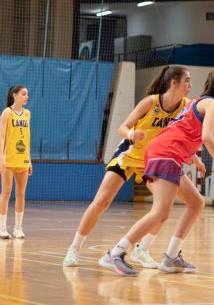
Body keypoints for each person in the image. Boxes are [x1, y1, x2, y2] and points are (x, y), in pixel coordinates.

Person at [100, 69, 214, 276]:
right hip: (165, 154)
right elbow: (207, 137)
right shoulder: (213, 104)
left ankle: (171, 257)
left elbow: (184, 132)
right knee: (160, 212)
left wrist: (193, 157)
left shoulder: (195, 102)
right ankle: (116, 253)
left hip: (165, 153)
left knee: (196, 202)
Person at [63, 66, 198, 267]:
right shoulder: (151, 102)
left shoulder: (186, 106)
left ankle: (141, 250)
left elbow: (182, 136)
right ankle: (74, 249)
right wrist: (131, 135)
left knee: (163, 209)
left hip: (153, 161)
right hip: (129, 155)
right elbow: (122, 127)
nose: (190, 84)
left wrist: (193, 155)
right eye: (186, 80)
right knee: (101, 201)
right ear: (174, 83)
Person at [0, 86, 31, 239]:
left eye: (27, 94)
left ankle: (18, 228)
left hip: (23, 159)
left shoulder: (27, 114)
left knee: (21, 194)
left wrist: (29, 159)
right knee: (6, 194)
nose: (26, 96)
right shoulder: (7, 112)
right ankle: (2, 228)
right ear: (15, 95)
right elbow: (1, 137)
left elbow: (27, 138)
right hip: (9, 159)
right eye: (24, 94)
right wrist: (1, 158)